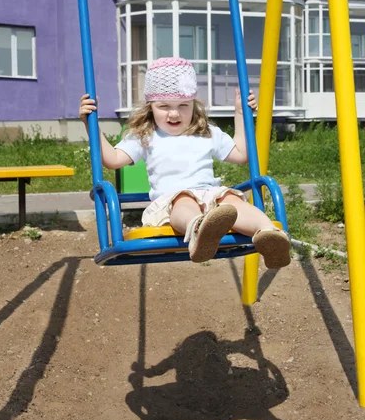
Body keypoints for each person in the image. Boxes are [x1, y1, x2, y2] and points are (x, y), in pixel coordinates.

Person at [79, 57, 290, 268]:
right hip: (171, 201)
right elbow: (113, 159)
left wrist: (241, 114)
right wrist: (91, 124)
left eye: (183, 105)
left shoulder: (207, 132)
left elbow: (242, 154)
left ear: (193, 105)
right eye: (164, 106)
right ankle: (198, 230)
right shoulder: (145, 135)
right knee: (183, 200)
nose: (174, 113)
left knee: (231, 201)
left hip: (210, 197)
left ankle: (269, 234)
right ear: (150, 106)